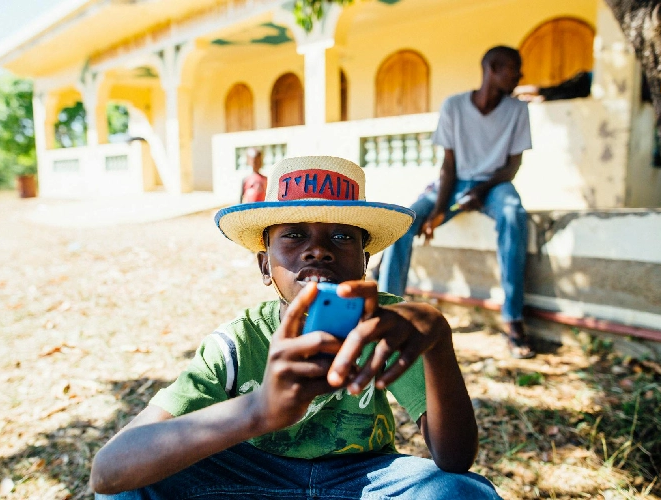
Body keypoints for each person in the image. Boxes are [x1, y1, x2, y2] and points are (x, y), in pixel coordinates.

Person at [90, 156, 502, 499]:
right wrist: (257, 411)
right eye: (294, 235)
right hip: (252, 481)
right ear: (264, 265)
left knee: (463, 492)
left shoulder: (387, 327)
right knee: (134, 485)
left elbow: (454, 458)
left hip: (362, 479)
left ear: (365, 262)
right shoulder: (236, 344)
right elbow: (107, 472)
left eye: (341, 236)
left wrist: (439, 344)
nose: (318, 250)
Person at [377, 46, 535, 359]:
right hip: (454, 183)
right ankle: (387, 309)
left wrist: (481, 191)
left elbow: (512, 166)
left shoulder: (518, 110)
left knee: (513, 214)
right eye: (514, 69)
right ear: (492, 68)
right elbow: (448, 166)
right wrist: (438, 212)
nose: (520, 76)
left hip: (496, 184)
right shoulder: (454, 106)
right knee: (405, 220)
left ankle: (514, 319)